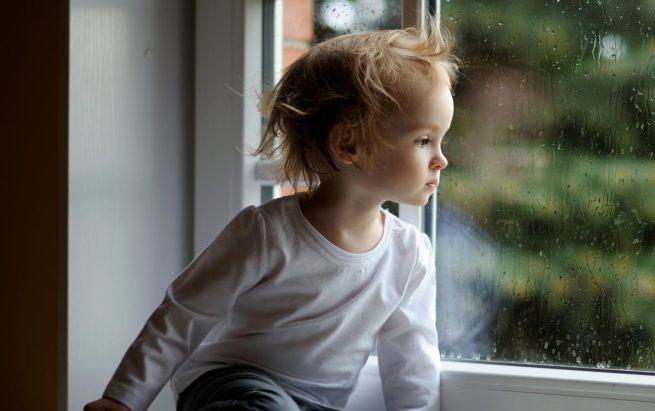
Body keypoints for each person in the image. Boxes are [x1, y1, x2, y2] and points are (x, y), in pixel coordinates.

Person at [84, 19, 458, 411]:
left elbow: (412, 362)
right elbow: (183, 313)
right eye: (424, 140)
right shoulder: (267, 233)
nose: (442, 160)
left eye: (440, 140)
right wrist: (122, 400)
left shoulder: (409, 254)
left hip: (317, 404)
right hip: (232, 381)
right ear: (349, 144)